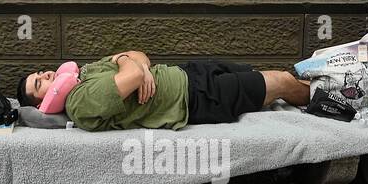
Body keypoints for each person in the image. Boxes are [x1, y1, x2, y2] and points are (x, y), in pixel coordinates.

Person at [17, 52, 311, 131]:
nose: (45, 74)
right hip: (197, 99)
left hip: (189, 73)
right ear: (43, 102)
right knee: (280, 82)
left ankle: (322, 88)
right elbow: (132, 66)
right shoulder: (82, 102)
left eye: (40, 73)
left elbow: (138, 55)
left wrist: (136, 65)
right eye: (38, 83)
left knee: (257, 75)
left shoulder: (84, 74)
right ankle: (336, 102)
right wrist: (131, 66)